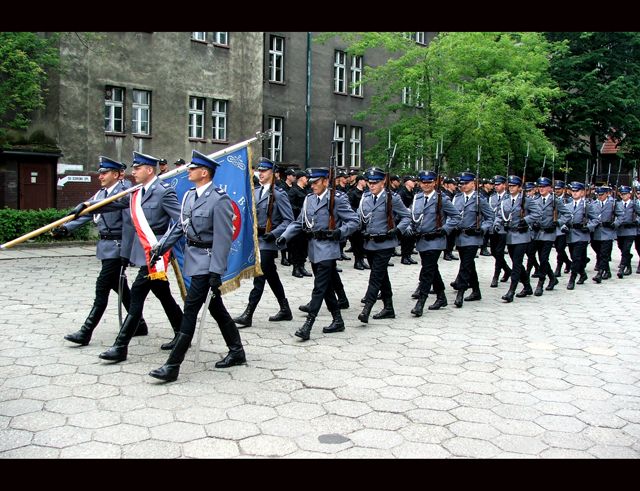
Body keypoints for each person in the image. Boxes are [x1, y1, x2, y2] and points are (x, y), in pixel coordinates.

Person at [70, 151, 184, 362]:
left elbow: (181, 221)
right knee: (162, 293)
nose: (133, 172)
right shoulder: (136, 192)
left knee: (138, 295)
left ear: (149, 170)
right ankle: (182, 330)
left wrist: (163, 245)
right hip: (143, 252)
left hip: (157, 255)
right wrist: (87, 206)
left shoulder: (163, 192)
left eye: (137, 168)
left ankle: (121, 346)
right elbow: (113, 203)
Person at [147, 150, 246, 381]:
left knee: (191, 309)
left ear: (204, 172)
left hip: (208, 262)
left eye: (192, 168)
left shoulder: (219, 200)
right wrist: (160, 248)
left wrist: (216, 272)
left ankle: (173, 365)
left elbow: (223, 239)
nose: (188, 171)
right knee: (215, 308)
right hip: (193, 259)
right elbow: (180, 227)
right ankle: (237, 350)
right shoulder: (189, 196)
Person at [53, 156, 148, 346]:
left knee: (102, 287)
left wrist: (125, 254)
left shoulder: (124, 192)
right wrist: (66, 226)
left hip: (117, 247)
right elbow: (86, 212)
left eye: (104, 173)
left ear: (116, 174)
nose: (100, 176)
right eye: (100, 173)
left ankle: (86, 331)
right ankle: (139, 323)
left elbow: (129, 225)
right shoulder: (102, 193)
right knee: (119, 287)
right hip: (105, 247)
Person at [276, 168, 359, 341]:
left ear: (325, 181)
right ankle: (338, 320)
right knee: (327, 287)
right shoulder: (309, 199)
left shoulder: (336, 199)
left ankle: (308, 325)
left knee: (319, 287)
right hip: (313, 248)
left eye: (315, 182)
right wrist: (284, 236)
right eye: (311, 182)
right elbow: (299, 222)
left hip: (329, 248)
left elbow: (354, 221)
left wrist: (340, 232)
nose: (312, 185)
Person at [233, 157, 294, 328]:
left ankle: (248, 313)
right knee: (271, 275)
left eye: (264, 171)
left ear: (273, 173)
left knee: (259, 277)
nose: (260, 173)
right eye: (259, 170)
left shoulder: (278, 194)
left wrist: (273, 234)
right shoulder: (257, 191)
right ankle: (285, 308)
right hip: (257, 240)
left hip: (268, 242)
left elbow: (289, 220)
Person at [357, 167, 411, 323]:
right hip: (370, 243)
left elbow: (406, 216)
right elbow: (360, 217)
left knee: (375, 277)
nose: (371, 186)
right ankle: (389, 308)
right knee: (382, 276)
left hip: (386, 243)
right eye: (369, 182)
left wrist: (397, 230)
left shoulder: (392, 198)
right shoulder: (365, 198)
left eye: (375, 183)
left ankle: (366, 309)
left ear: (383, 182)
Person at [408, 170, 462, 316]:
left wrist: (444, 229)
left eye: (429, 182)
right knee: (432, 269)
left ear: (434, 183)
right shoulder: (417, 198)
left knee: (427, 271)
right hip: (421, 239)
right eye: (423, 182)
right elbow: (413, 216)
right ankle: (441, 297)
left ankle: (421, 303)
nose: (426, 185)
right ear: (419, 183)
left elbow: (456, 216)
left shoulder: (441, 199)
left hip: (436, 240)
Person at [493, 175, 542, 302]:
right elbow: (500, 214)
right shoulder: (506, 200)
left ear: (520, 187)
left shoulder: (526, 200)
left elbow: (537, 213)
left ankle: (511, 291)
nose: (511, 188)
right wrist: (497, 224)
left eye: (514, 186)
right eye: (510, 186)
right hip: (509, 235)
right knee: (517, 263)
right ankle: (527, 286)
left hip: (522, 235)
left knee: (516, 263)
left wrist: (525, 220)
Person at [451, 172, 495, 308]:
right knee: (469, 264)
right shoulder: (457, 199)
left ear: (473, 183)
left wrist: (482, 228)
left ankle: (461, 292)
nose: (463, 186)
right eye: (461, 184)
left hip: (473, 238)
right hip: (460, 236)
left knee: (465, 265)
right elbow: (451, 216)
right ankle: (476, 291)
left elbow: (490, 217)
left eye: (466, 183)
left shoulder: (479, 199)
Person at [531, 176, 571, 294]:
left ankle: (541, 283)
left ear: (549, 188)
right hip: (538, 233)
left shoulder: (555, 200)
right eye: (540, 187)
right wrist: (533, 224)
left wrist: (558, 222)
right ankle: (552, 278)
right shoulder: (535, 200)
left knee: (544, 258)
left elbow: (567, 214)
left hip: (549, 233)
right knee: (538, 257)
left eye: (544, 187)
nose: (541, 189)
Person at [564, 181, 599, 289]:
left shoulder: (586, 206)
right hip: (570, 234)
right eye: (573, 191)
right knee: (573, 256)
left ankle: (572, 279)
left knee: (576, 257)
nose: (574, 193)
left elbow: (595, 219)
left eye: (577, 191)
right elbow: (563, 219)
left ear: (582, 192)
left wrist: (588, 227)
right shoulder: (567, 205)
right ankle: (583, 274)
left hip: (581, 235)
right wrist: (563, 226)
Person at [590, 186, 620, 283]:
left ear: (607, 194)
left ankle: (600, 273)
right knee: (598, 251)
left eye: (601, 195)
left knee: (604, 253)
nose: (599, 197)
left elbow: (621, 216)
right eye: (598, 195)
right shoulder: (593, 204)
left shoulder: (612, 204)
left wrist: (614, 224)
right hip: (596, 231)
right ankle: (607, 270)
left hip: (607, 231)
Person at [288, 170, 313, 278]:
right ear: (300, 178)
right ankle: (296, 268)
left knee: (304, 246)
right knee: (296, 247)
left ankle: (302, 266)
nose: (307, 179)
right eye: (305, 177)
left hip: (306, 224)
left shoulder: (307, 191)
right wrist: (302, 210)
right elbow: (290, 206)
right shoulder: (293, 191)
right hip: (297, 222)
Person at [488, 175, 512, 287]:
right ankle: (507, 270)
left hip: (503, 228)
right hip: (493, 228)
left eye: (498, 184)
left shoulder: (508, 197)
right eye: (495, 185)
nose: (496, 187)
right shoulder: (492, 197)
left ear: (504, 185)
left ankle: (496, 276)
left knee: (499, 252)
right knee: (493, 251)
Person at [613, 185, 640, 278]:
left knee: (626, 249)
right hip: (620, 230)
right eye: (622, 194)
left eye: (625, 194)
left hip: (630, 230)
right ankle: (628, 265)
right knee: (621, 247)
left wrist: (636, 221)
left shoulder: (634, 204)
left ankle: (622, 268)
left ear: (629, 194)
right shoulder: (617, 204)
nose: (623, 196)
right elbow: (614, 215)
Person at [347, 175, 369, 270]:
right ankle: (357, 261)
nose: (367, 182)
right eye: (365, 180)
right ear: (360, 181)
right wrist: (357, 211)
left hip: (365, 220)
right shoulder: (352, 193)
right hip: (356, 219)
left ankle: (362, 260)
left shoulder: (366, 193)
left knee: (363, 241)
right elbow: (349, 206)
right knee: (357, 241)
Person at [553, 180, 572, 277]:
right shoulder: (552, 199)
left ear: (563, 189)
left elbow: (569, 214)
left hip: (563, 228)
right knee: (558, 248)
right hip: (553, 228)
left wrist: (562, 222)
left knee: (560, 248)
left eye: (559, 189)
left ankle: (559, 267)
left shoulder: (568, 200)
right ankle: (568, 262)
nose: (556, 190)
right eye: (555, 189)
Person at [398, 175, 418, 265]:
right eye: (412, 181)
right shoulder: (402, 192)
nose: (414, 182)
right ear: (406, 182)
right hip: (403, 218)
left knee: (412, 238)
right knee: (406, 238)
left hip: (412, 217)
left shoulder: (412, 192)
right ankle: (404, 257)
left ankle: (409, 255)